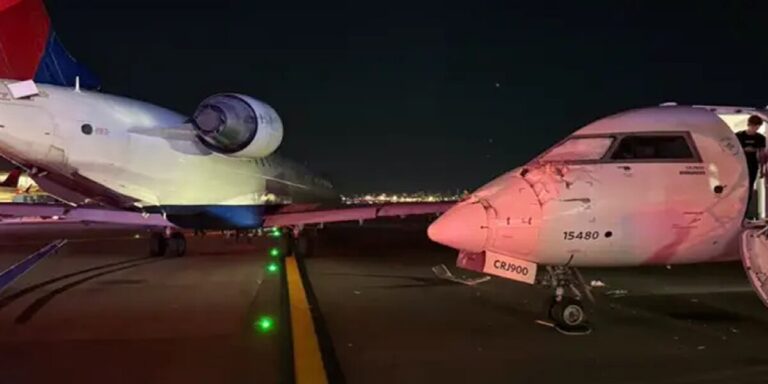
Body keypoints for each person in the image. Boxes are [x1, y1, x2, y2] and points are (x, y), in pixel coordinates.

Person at [736, 115, 767, 219]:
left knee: (749, 189)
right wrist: (744, 150)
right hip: (739, 166)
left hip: (752, 165)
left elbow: (761, 154)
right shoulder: (739, 136)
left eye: (757, 127)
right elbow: (733, 151)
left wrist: (762, 169)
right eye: (754, 127)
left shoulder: (760, 138)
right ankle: (736, 212)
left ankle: (745, 213)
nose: (755, 129)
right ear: (749, 125)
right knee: (738, 189)